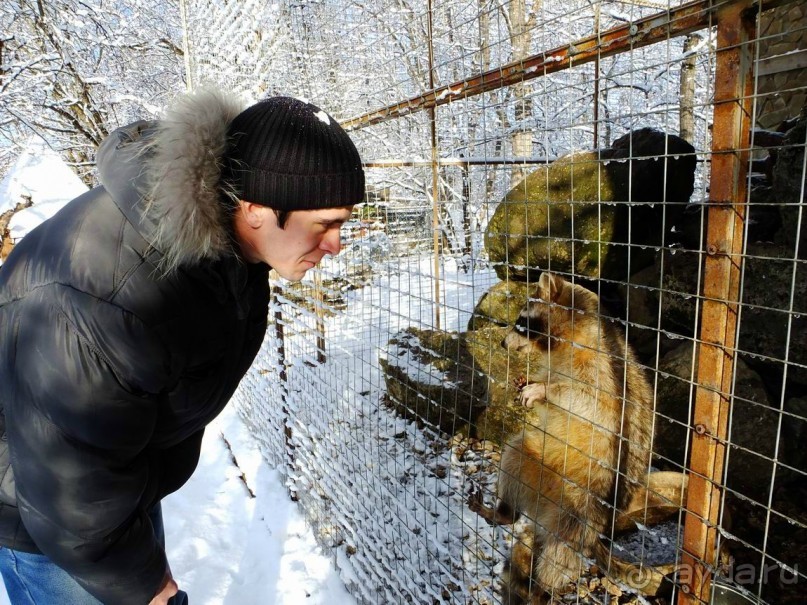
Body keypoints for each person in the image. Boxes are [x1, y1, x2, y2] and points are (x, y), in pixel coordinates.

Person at [0, 88, 365, 604]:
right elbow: (69, 483)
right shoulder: (110, 294)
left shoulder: (227, 247)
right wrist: (148, 587)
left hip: (117, 479)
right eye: (325, 225)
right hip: (44, 515)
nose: (336, 245)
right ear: (257, 207)